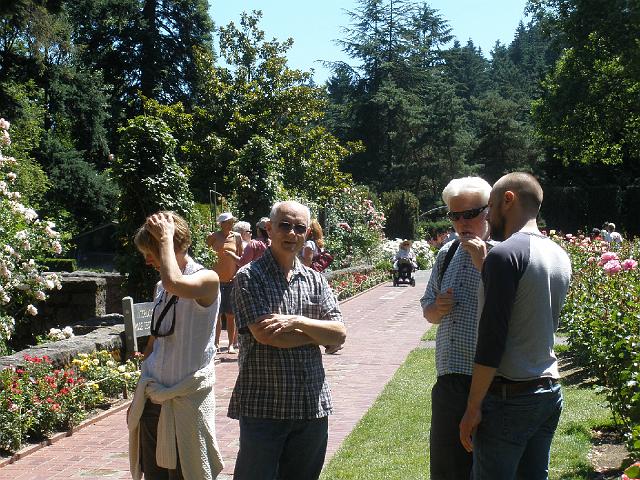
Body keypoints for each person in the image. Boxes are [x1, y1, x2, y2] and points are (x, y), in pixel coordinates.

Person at [459, 172, 572, 480]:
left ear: (508, 200)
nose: (487, 214)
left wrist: (472, 407)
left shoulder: (505, 255)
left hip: (510, 397)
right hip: (549, 391)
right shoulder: (559, 255)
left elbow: (492, 340)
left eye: (490, 205)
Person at [229, 200, 347, 480]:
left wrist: (297, 322)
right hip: (264, 408)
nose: (292, 233)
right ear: (269, 229)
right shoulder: (249, 277)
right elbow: (266, 336)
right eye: (285, 225)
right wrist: (318, 336)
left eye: (299, 228)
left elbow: (339, 333)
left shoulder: (315, 280)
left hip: (311, 407)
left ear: (307, 233)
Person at [127, 211, 224, 479]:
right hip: (154, 396)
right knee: (154, 475)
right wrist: (140, 387)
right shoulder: (161, 287)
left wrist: (166, 238)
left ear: (173, 243)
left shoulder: (207, 279)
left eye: (151, 250)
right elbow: (156, 339)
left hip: (186, 400)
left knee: (187, 473)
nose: (146, 258)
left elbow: (175, 282)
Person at [420, 176, 492, 480]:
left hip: (489, 382)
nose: (461, 222)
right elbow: (428, 311)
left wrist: (483, 264)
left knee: (487, 466)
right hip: (449, 381)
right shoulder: (446, 253)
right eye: (454, 215)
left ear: (489, 212)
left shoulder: (502, 253)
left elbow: (512, 311)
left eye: (470, 214)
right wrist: (437, 308)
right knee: (447, 468)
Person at [207, 212, 243, 354]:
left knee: (230, 314)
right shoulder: (213, 237)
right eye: (227, 222)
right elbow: (205, 255)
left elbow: (241, 258)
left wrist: (237, 274)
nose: (230, 224)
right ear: (221, 224)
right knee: (217, 314)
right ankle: (215, 343)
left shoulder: (237, 237)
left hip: (231, 280)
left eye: (231, 222)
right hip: (215, 281)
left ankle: (230, 345)